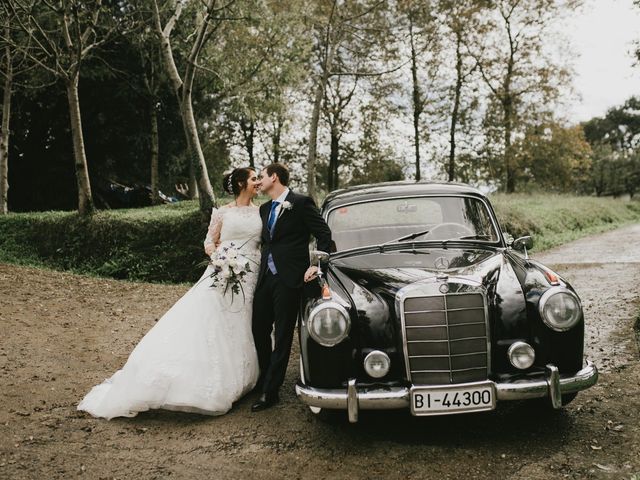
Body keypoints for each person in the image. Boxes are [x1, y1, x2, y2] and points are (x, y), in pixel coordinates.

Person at [78, 168, 262, 419]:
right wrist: (219, 257)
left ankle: (246, 375)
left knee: (243, 321)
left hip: (251, 273)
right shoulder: (223, 212)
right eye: (254, 179)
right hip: (222, 270)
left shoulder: (262, 211)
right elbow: (209, 241)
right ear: (242, 183)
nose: (258, 182)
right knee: (214, 321)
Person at [251, 163, 332, 412]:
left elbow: (325, 234)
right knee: (258, 328)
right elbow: (267, 243)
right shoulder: (264, 209)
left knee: (284, 334)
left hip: (291, 279)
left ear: (274, 177)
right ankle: (266, 375)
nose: (259, 182)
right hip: (266, 276)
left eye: (262, 177)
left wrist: (316, 265)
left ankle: (270, 391)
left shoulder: (301, 203)